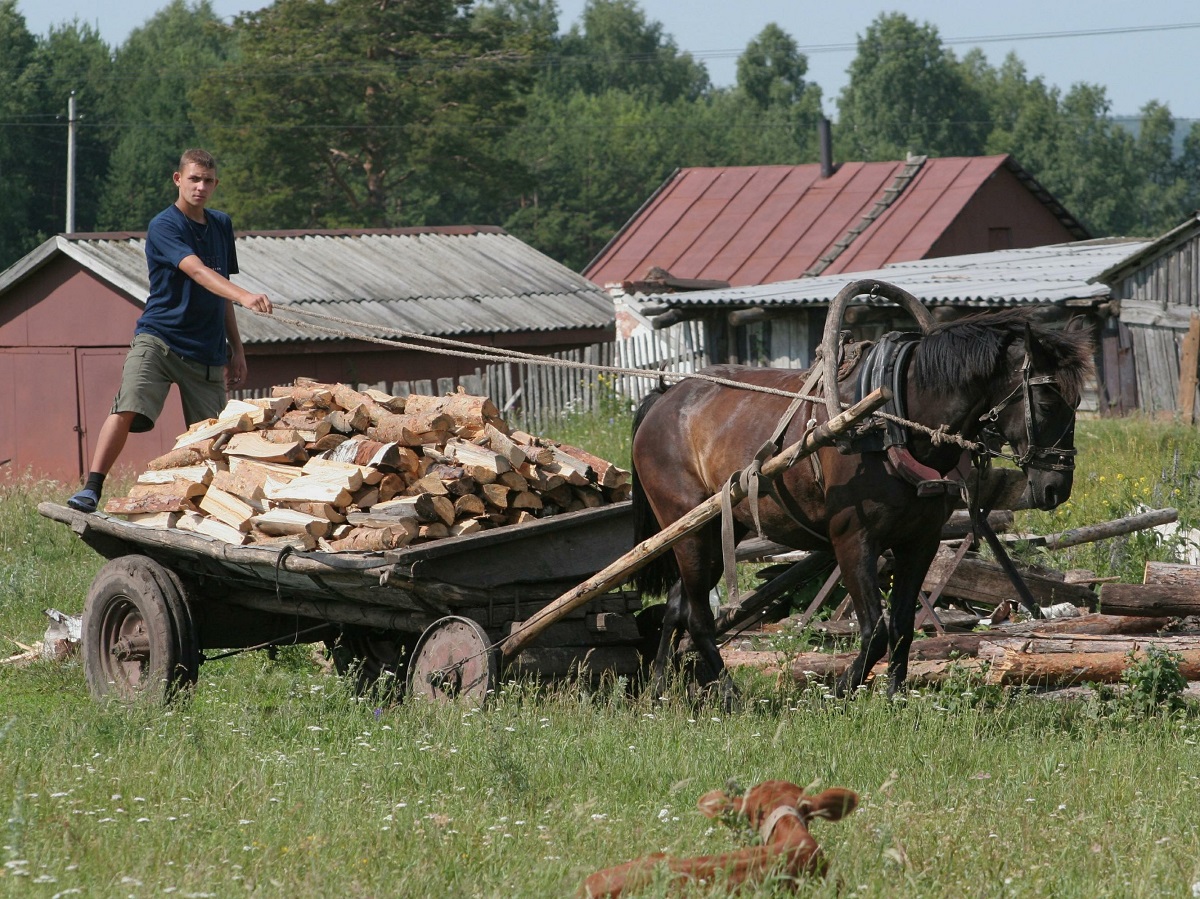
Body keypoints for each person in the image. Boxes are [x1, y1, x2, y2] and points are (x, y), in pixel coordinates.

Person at [68, 149, 273, 513]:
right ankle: (92, 489)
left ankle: (216, 510)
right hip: (160, 340)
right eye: (194, 179)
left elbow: (219, 288)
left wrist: (236, 349)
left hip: (207, 351)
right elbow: (196, 271)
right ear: (178, 179)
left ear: (216, 184)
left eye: (208, 181)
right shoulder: (165, 225)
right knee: (128, 406)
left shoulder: (221, 225)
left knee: (215, 438)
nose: (201, 187)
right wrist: (244, 295)